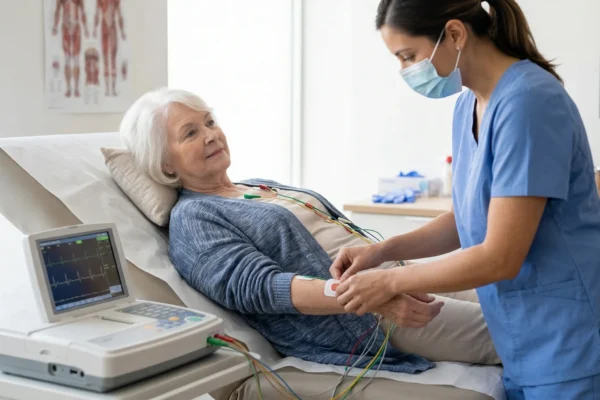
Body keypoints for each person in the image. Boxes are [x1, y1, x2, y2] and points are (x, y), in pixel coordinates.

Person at [119, 88, 500, 381]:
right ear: (165, 163)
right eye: (190, 132)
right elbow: (261, 288)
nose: (210, 135)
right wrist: (363, 297)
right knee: (515, 332)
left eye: (210, 122)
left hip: (394, 276)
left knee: (524, 299)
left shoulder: (260, 187)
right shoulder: (193, 220)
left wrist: (387, 263)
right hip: (364, 316)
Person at [332, 1, 600, 399]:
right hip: (522, 342)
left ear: (455, 34)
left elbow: (500, 256)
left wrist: (389, 280)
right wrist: (383, 251)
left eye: (409, 56)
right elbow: (468, 219)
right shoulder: (467, 106)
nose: (405, 71)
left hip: (569, 344)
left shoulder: (529, 101)